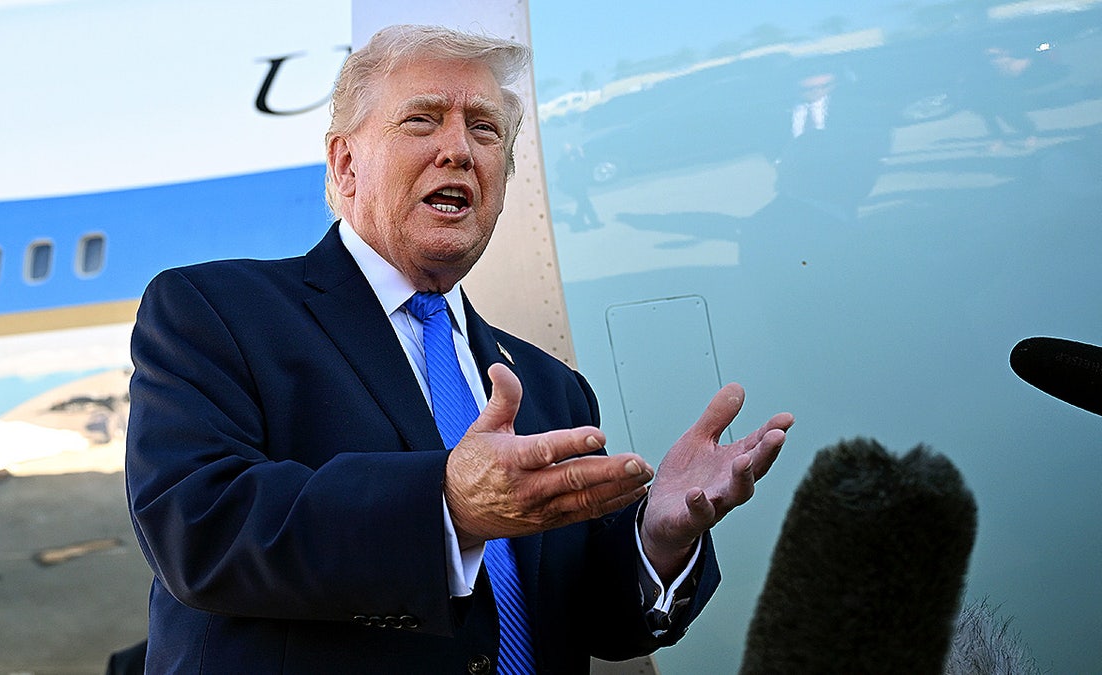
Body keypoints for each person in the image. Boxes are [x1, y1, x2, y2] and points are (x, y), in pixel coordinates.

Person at [125, 24, 793, 674]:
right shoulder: (214, 312)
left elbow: (593, 622)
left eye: (485, 129)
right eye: (422, 121)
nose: (459, 150)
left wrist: (657, 538)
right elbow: (198, 529)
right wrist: (446, 508)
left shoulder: (550, 386)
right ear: (346, 164)